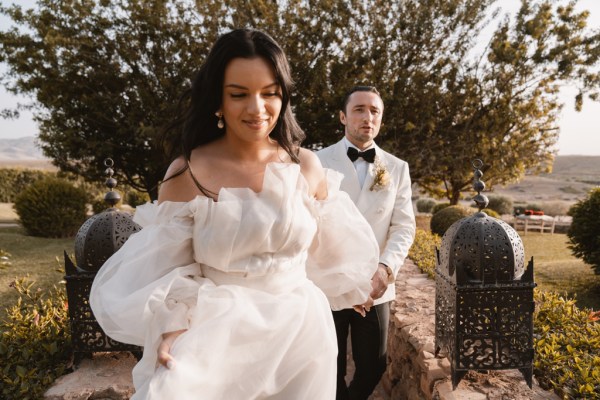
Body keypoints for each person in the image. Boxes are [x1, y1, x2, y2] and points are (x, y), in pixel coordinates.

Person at [89, 29, 380, 400]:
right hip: (216, 333)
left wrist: (354, 282)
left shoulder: (306, 166)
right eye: (239, 94)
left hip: (301, 335)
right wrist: (172, 324)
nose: (257, 109)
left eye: (269, 93)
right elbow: (170, 269)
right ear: (217, 100)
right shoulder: (186, 173)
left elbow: (330, 248)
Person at [317, 86, 416, 400]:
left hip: (376, 285)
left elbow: (403, 226)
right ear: (343, 116)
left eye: (374, 111)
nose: (367, 117)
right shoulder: (316, 162)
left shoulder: (397, 168)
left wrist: (385, 270)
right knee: (326, 364)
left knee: (374, 364)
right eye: (359, 109)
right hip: (326, 282)